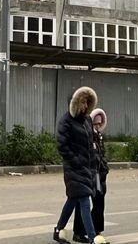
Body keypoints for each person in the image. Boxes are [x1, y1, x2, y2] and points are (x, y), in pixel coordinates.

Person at [53, 86, 107, 244]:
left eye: (87, 102)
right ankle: (92, 238)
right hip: (73, 169)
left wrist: (93, 165)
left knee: (72, 201)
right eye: (83, 102)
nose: (85, 105)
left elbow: (91, 145)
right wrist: (76, 161)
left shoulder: (87, 121)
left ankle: (58, 230)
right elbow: (62, 146)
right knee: (84, 201)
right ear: (75, 103)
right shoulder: (66, 121)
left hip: (87, 168)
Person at [72, 108, 109, 243]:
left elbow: (102, 156)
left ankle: (97, 230)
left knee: (99, 202)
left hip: (99, 176)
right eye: (95, 123)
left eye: (100, 123)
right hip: (87, 175)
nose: (97, 126)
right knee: (83, 203)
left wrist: (104, 168)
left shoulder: (99, 137)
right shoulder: (85, 136)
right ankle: (78, 232)